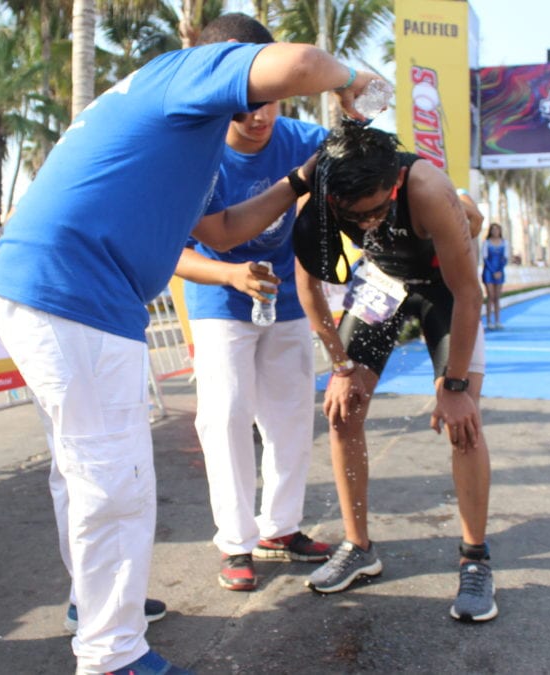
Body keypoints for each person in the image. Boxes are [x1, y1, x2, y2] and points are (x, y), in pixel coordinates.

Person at [0, 12, 385, 674]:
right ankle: (112, 655)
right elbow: (308, 65)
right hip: (74, 290)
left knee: (84, 470)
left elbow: (222, 230)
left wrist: (298, 180)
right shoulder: (190, 71)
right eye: (251, 92)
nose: (258, 113)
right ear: (231, 64)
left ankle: (97, 607)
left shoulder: (184, 130)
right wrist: (352, 82)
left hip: (58, 289)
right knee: (114, 479)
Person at [293, 124, 496, 623]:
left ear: (396, 185)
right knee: (343, 412)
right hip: (384, 281)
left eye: (379, 211)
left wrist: (453, 388)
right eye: (354, 216)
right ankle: (359, 546)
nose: (367, 225)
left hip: (446, 284)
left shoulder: (427, 188)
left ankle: (475, 558)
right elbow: (310, 289)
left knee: (463, 422)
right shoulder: (317, 194)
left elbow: (470, 294)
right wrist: (340, 366)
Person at [174, 21, 332, 593]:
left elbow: (363, 169)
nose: (258, 117)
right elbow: (173, 251)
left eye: (266, 103)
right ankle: (235, 542)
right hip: (219, 300)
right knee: (225, 418)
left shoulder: (307, 140)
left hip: (288, 299)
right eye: (243, 110)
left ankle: (281, 528)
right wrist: (231, 273)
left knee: (291, 418)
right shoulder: (192, 153)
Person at [480, 223, 508, 329]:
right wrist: (493, 271)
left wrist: (499, 271)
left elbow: (505, 258)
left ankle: (497, 321)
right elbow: (485, 258)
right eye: (493, 229)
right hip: (488, 272)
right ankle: (488, 321)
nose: (495, 232)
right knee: (490, 296)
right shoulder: (486, 243)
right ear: (490, 231)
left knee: (497, 297)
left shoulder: (505, 243)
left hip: (500, 272)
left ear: (500, 231)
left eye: (497, 230)